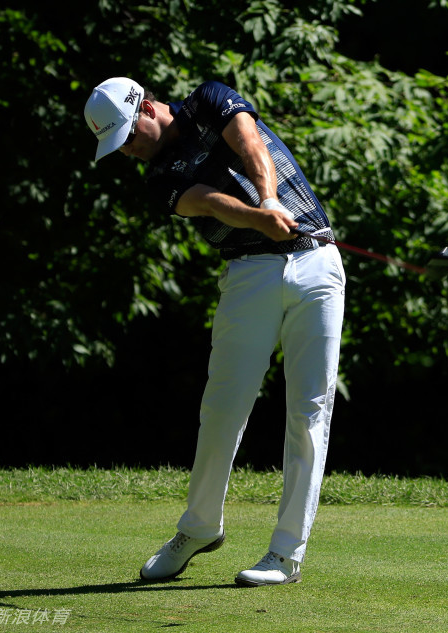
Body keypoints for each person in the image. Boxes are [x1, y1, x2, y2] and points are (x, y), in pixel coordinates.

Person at [83, 77, 346, 586]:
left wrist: (269, 199)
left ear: (149, 109)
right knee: (224, 405)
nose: (130, 152)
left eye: (129, 138)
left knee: (309, 410)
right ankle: (199, 528)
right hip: (248, 273)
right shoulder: (158, 178)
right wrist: (258, 216)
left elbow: (249, 140)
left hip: (317, 264)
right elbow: (207, 203)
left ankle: (286, 555)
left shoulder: (208, 100)